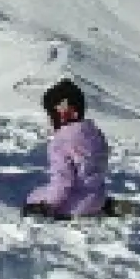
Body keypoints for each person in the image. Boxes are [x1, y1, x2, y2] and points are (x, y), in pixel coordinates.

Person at [23, 78, 130, 220]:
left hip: (74, 205)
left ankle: (54, 209)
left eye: (51, 114)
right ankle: (106, 206)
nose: (50, 120)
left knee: (34, 196)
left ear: (61, 114)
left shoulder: (61, 142)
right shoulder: (95, 134)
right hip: (98, 197)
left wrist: (46, 205)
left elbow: (63, 180)